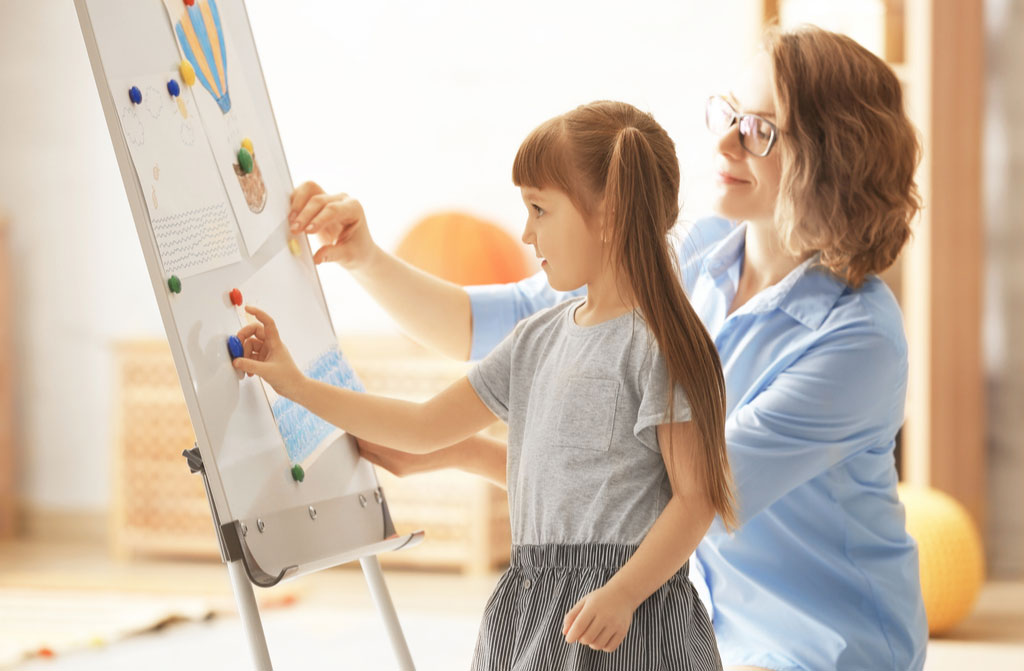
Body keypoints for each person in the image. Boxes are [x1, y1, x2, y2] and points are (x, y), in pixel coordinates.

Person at [287, 25, 929, 671]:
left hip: (828, 645)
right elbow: (496, 324)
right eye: (729, 112)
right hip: (707, 620)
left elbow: (690, 489)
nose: (725, 140)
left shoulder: (859, 339)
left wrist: (455, 448)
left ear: (829, 157)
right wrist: (364, 258)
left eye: (760, 129)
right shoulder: (697, 251)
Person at [236, 100, 735, 670]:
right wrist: (295, 386)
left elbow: (696, 500)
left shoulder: (663, 346)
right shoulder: (535, 339)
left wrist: (623, 593)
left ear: (611, 214)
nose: (525, 232)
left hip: (630, 621)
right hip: (531, 611)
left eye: (540, 209)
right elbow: (422, 426)